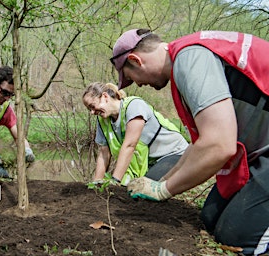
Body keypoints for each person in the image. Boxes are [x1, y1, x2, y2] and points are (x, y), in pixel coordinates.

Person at [110, 29, 269, 255]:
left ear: (136, 60)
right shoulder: (187, 55)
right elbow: (200, 144)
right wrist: (164, 179)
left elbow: (219, 145)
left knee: (238, 234)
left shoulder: (190, 58)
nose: (137, 84)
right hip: (261, 154)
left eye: (131, 78)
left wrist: (164, 189)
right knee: (211, 217)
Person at [82, 82, 188, 186]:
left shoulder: (134, 106)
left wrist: (115, 181)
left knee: (143, 189)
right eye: (89, 109)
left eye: (92, 106)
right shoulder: (103, 121)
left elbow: (130, 145)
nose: (92, 112)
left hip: (174, 154)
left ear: (105, 97)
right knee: (130, 190)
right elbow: (103, 153)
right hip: (151, 162)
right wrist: (96, 184)